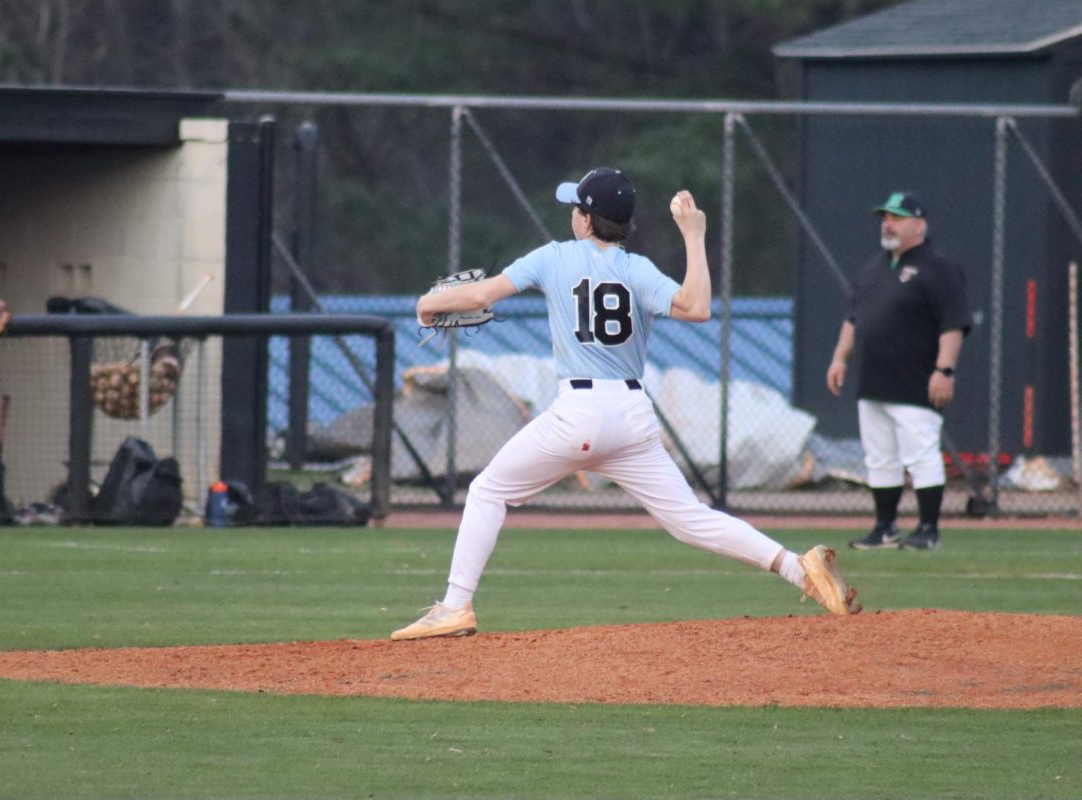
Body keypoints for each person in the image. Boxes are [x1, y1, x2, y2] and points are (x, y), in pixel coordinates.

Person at [392, 167, 861, 641]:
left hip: (578, 412)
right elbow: (698, 308)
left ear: (587, 220)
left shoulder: (554, 257)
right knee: (689, 519)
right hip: (633, 417)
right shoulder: (637, 269)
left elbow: (481, 293)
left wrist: (429, 303)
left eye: (577, 207)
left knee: (488, 491)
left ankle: (455, 607)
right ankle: (799, 570)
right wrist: (694, 236)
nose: (573, 214)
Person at [826, 192, 969, 551]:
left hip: (916, 382)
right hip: (874, 382)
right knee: (880, 458)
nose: (888, 224)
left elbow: (953, 325)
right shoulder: (874, 268)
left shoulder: (939, 269)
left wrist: (944, 370)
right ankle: (884, 528)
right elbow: (854, 318)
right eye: (885, 217)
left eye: (898, 217)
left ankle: (928, 529)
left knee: (921, 455)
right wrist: (839, 359)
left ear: (919, 225)